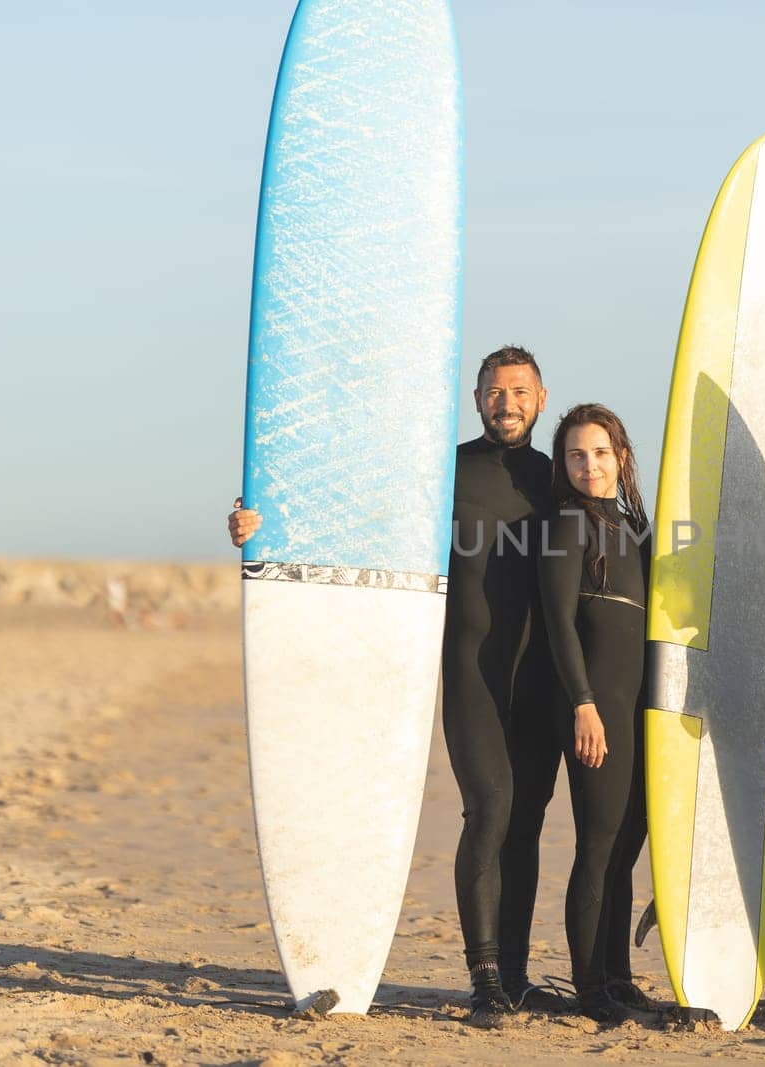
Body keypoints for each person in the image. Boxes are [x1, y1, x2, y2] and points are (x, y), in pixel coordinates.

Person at [228, 346, 561, 1028]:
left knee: (525, 821)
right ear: (476, 400)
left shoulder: (558, 480)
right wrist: (259, 519)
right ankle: (485, 977)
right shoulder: (444, 470)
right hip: (471, 668)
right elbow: (355, 511)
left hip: (542, 680)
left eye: (520, 391)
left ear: (542, 397)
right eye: (495, 392)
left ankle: (520, 975)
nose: (507, 402)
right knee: (491, 808)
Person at [534, 403, 652, 1024]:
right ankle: (587, 988)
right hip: (594, 710)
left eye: (601, 453)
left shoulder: (635, 529)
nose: (590, 465)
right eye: (577, 455)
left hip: (635, 712)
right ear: (564, 464)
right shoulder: (566, 525)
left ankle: (616, 977)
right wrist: (583, 703)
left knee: (626, 845)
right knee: (598, 845)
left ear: (621, 457)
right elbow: (559, 623)